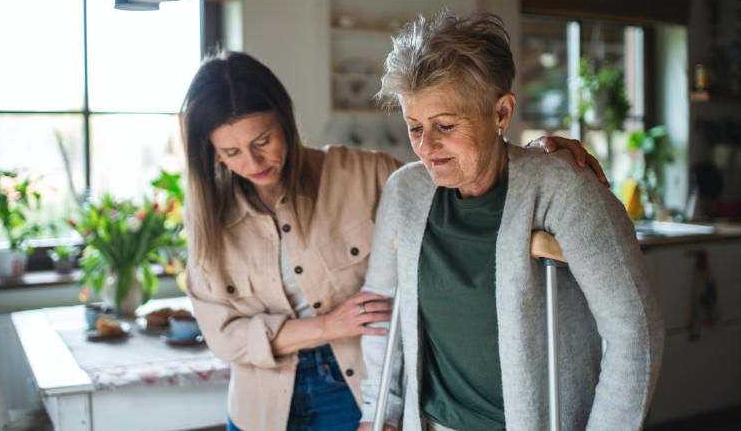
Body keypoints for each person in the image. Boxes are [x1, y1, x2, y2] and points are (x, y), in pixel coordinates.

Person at [180, 49, 607, 431]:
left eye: (262, 141)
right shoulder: (208, 223)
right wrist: (328, 326)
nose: (252, 162)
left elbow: (455, 169)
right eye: (230, 153)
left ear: (285, 122)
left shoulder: (365, 176)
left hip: (356, 387)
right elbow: (224, 337)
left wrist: (531, 156)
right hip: (260, 406)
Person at [358, 13, 665, 431]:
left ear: (501, 112)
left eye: (445, 126)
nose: (427, 147)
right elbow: (381, 309)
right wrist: (381, 413)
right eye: (415, 127)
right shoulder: (405, 192)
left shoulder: (562, 188)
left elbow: (635, 330)